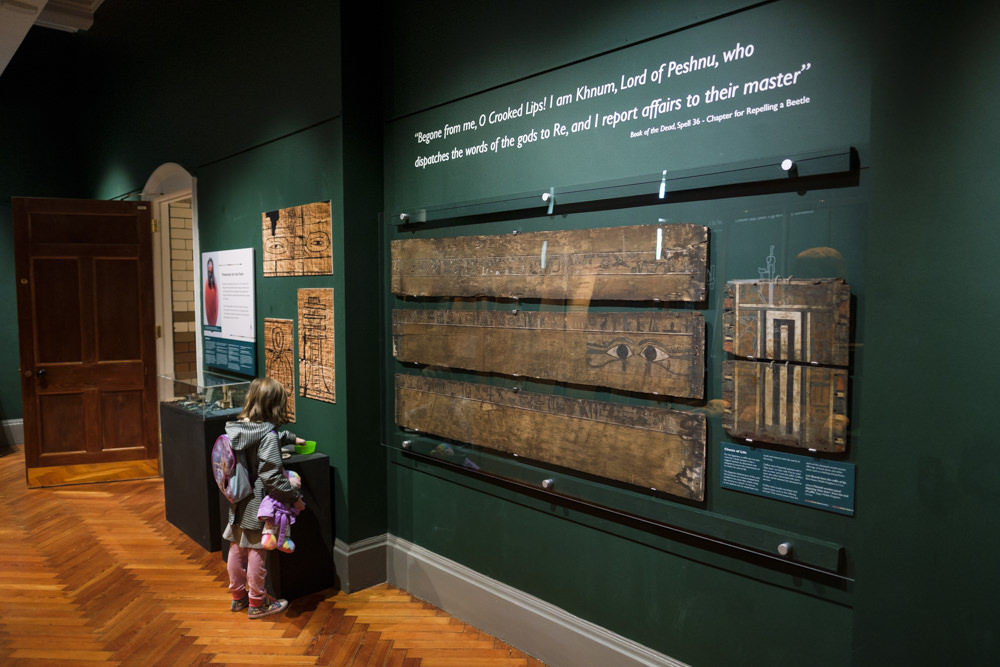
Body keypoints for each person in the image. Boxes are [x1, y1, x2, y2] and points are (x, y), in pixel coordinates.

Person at [222, 377, 306, 619]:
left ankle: (238, 597)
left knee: (236, 546)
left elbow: (256, 441)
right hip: (258, 501)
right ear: (275, 406)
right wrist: (295, 497)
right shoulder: (267, 435)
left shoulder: (236, 429)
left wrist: (289, 438)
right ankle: (258, 602)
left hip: (237, 499)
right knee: (258, 549)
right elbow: (271, 476)